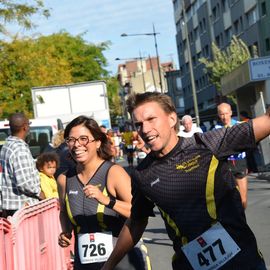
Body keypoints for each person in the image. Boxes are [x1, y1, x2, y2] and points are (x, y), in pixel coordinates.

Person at [102, 92, 268, 270]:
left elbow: (266, 122)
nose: (145, 129)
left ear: (172, 118)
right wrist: (109, 266)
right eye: (139, 124)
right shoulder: (142, 174)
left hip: (242, 261)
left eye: (151, 119)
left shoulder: (207, 144)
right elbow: (136, 221)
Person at [57, 115, 147, 270]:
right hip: (85, 263)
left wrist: (107, 201)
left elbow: (139, 213)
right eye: (71, 140)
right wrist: (66, 232)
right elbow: (64, 211)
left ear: (98, 142)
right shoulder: (64, 179)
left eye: (84, 139)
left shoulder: (114, 172)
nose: (77, 145)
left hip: (122, 261)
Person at [0, 113, 43, 218]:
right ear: (25, 127)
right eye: (29, 124)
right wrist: (40, 193)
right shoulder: (19, 149)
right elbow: (24, 183)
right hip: (22, 207)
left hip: (11, 205)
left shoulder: (7, 145)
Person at [215, 103, 248, 209]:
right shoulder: (216, 129)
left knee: (243, 199)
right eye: (221, 114)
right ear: (218, 115)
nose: (224, 117)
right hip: (224, 165)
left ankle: (242, 220)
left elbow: (247, 143)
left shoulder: (239, 125)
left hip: (239, 163)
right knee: (227, 199)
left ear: (231, 113)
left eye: (226, 113)